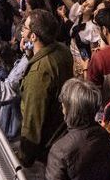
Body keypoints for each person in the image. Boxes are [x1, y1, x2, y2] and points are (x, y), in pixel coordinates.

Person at [17, 9, 74, 167]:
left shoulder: (39, 72)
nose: (22, 31)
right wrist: (31, 55)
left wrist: (24, 158)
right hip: (63, 131)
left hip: (49, 145)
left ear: (33, 36)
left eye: (25, 28)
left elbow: (33, 119)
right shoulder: (62, 49)